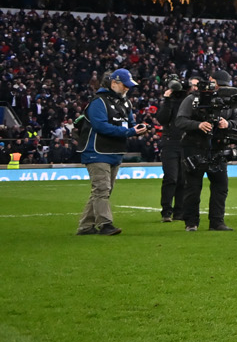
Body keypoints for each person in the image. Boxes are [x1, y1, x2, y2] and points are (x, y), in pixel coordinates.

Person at [76, 68, 142, 236]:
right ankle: (105, 224)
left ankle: (85, 226)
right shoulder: (98, 102)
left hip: (114, 151)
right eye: (125, 85)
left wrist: (137, 128)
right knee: (102, 189)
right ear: (114, 83)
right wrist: (130, 132)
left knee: (103, 190)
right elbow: (101, 126)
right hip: (96, 151)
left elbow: (130, 122)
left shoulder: (125, 102)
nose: (127, 89)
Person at [170, 70, 234, 232]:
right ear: (213, 82)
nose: (223, 89)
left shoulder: (229, 101)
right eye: (221, 85)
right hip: (194, 146)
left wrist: (228, 124)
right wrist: (198, 125)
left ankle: (217, 222)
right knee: (192, 186)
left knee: (221, 185)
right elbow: (180, 120)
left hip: (217, 147)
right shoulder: (192, 99)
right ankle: (191, 222)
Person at [156, 73, 196, 223]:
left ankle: (179, 211)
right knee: (171, 177)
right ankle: (166, 211)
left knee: (182, 179)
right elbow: (162, 118)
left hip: (184, 142)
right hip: (170, 143)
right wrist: (166, 100)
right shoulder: (169, 102)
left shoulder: (186, 100)